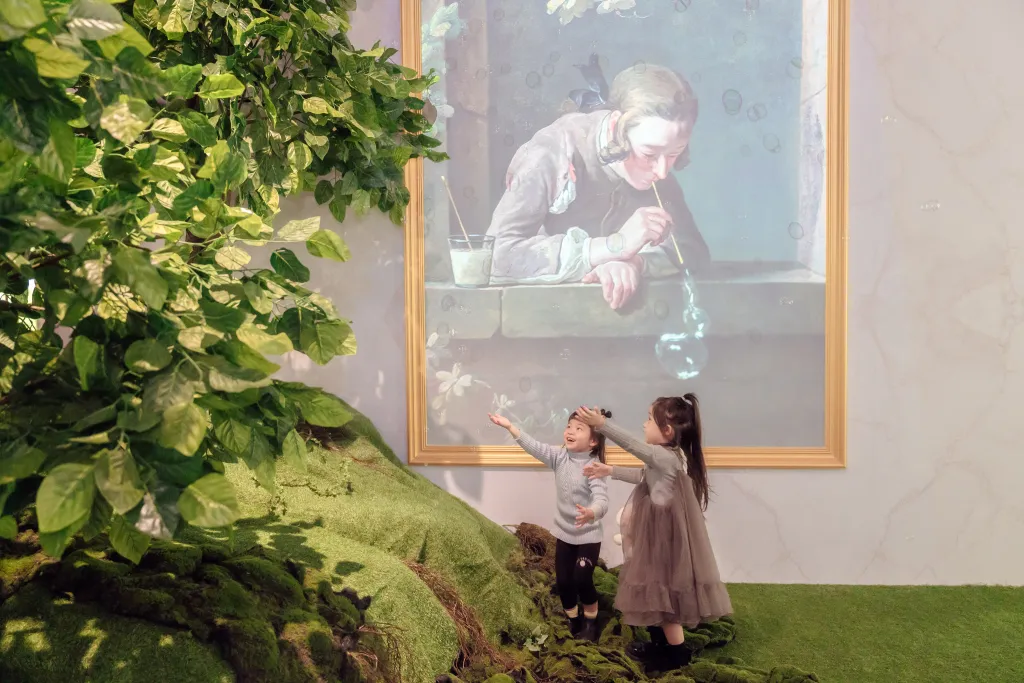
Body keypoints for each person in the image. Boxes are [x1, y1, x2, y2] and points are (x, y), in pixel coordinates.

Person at [486, 62, 710, 310]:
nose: (662, 171)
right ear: (615, 127)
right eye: (649, 154)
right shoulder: (551, 153)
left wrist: (634, 262)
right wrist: (615, 246)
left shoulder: (657, 164)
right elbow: (495, 256)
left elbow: (693, 251)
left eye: (674, 154)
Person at [577, 396, 731, 672]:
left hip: (662, 539)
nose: (644, 424)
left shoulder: (663, 456)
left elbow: (632, 445)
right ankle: (660, 644)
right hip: (656, 534)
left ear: (668, 431)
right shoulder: (666, 457)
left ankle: (676, 654)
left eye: (649, 420)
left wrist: (601, 425)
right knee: (654, 591)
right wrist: (609, 470)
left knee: (663, 596)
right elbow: (643, 476)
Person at [488, 409, 611, 641]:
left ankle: (591, 622)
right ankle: (573, 619)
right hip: (564, 533)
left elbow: (602, 500)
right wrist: (510, 426)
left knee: (582, 578)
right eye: (569, 426)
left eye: (579, 429)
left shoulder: (594, 467)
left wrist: (591, 512)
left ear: (593, 441)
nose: (570, 432)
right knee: (563, 581)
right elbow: (534, 446)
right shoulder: (559, 457)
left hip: (588, 536)